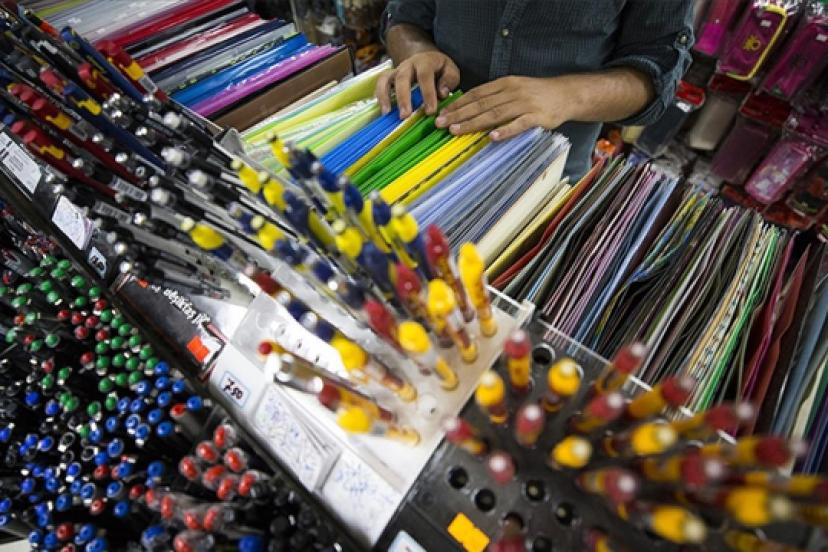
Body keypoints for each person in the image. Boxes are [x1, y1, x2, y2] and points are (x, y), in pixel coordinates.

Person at [375, 0, 695, 180]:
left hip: (545, 180)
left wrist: (565, 95)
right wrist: (417, 52)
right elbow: (404, 16)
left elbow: (657, 73)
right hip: (423, 151)